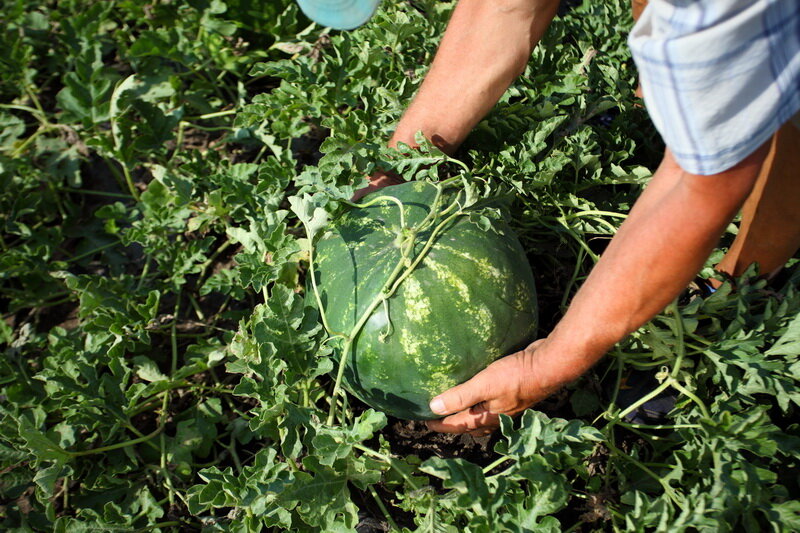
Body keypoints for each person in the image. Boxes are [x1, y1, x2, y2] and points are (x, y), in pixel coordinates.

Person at [295, 0, 800, 435]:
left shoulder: (712, 12)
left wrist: (552, 360)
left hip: (750, 24)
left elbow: (705, 182)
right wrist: (397, 170)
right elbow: (504, 11)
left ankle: (739, 284)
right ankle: (679, 92)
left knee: (773, 114)